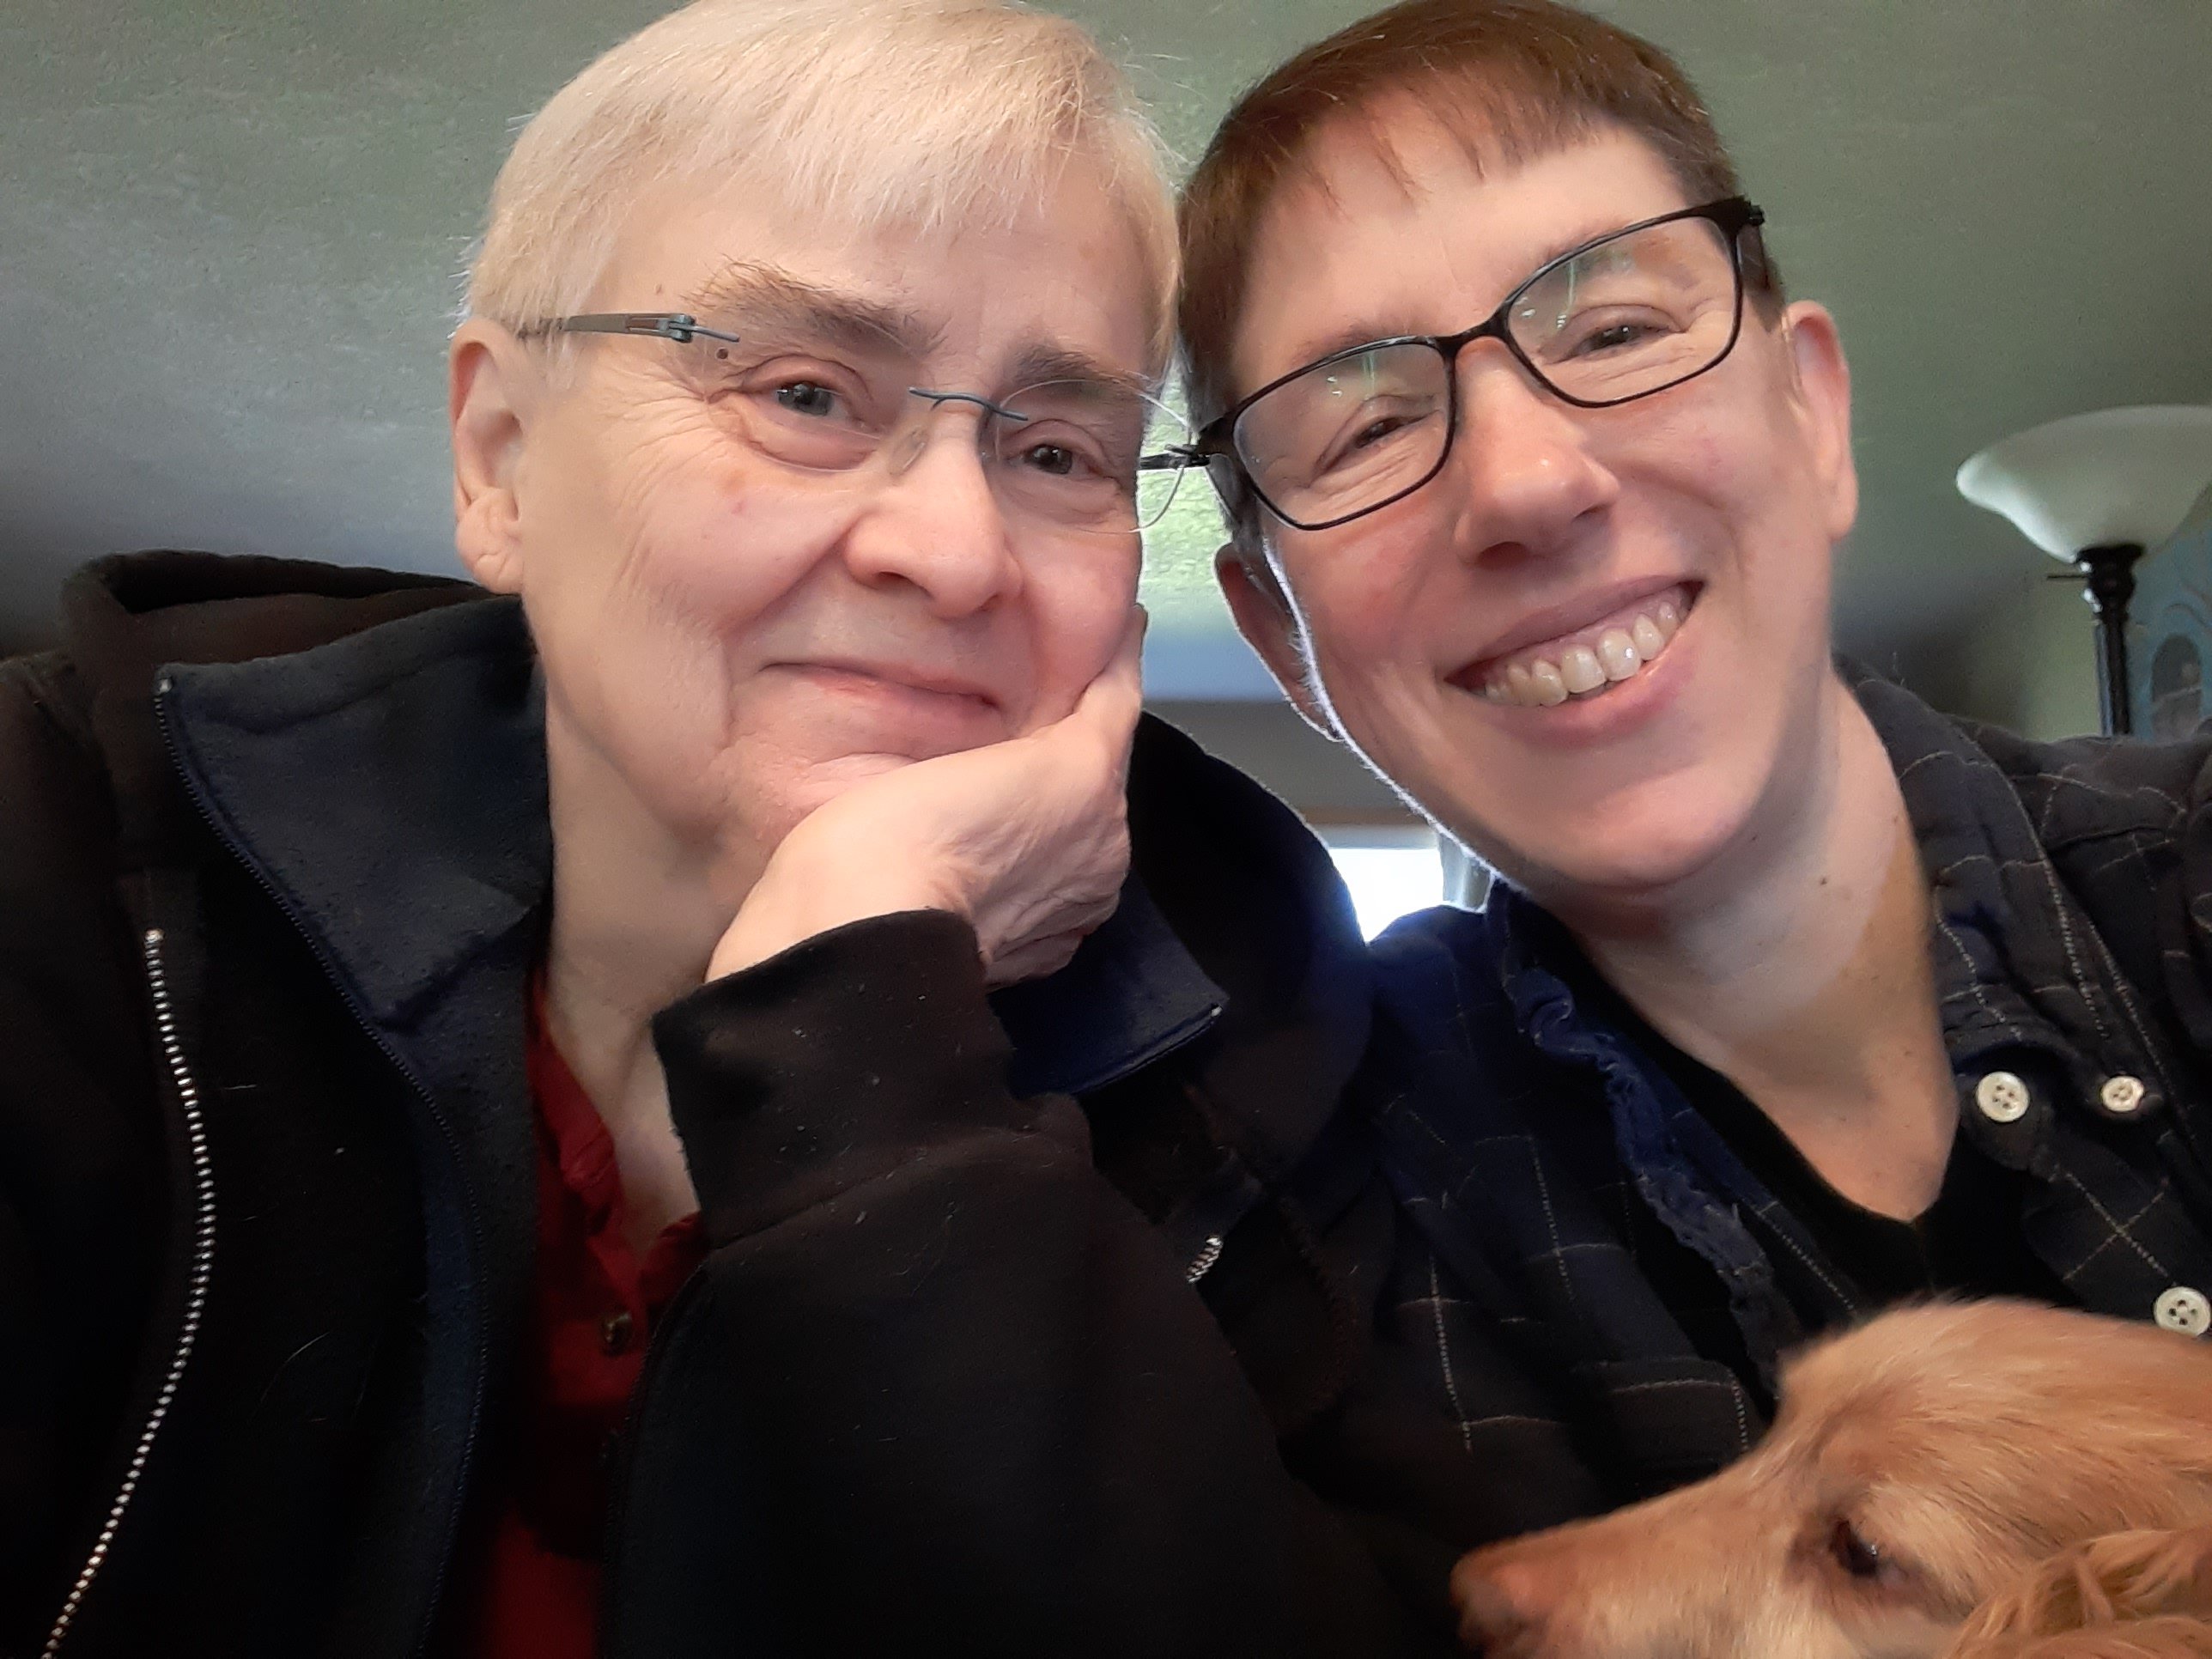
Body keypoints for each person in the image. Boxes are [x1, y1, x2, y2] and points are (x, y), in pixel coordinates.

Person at [0, 3, 1442, 1653]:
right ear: (499, 459)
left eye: (1058, 450)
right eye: (806, 391)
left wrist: (859, 1022)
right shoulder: (68, 861)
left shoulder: (1266, 1039)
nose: (954, 551)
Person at [1170, 0, 2212, 1589]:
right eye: (1366, 423)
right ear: (1282, 643)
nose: (1527, 483)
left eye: (1614, 334)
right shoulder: (1306, 1229)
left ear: (1815, 415)